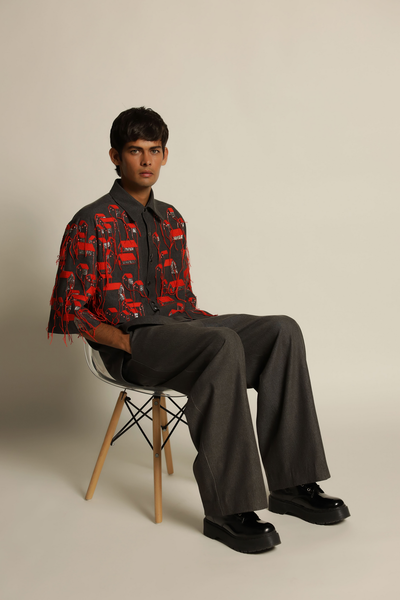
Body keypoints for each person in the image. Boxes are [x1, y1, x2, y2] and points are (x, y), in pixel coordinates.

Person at [48, 106, 350, 554]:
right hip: (132, 342)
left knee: (282, 330)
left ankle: (292, 484)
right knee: (220, 343)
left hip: (181, 329)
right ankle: (228, 510)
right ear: (115, 156)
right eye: (135, 151)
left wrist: (206, 329)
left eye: (154, 150)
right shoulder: (89, 221)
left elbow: (183, 300)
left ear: (165, 155)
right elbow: (70, 309)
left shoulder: (171, 219)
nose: (146, 160)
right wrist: (125, 340)